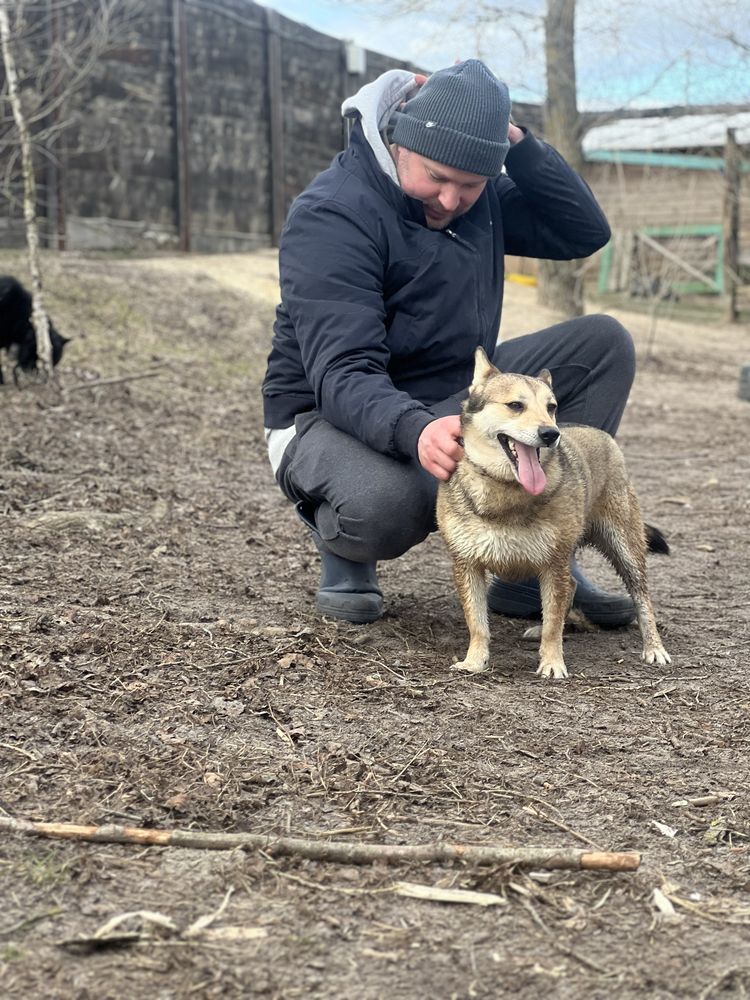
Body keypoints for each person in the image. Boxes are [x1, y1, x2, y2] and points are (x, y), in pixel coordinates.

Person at [262, 59, 637, 627]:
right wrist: (417, 429)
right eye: (436, 177)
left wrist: (510, 141)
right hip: (327, 412)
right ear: (398, 141)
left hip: (451, 396)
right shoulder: (333, 213)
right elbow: (341, 371)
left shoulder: (476, 197)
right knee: (387, 505)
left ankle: (526, 555)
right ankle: (343, 545)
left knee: (602, 345)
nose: (450, 199)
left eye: (472, 183)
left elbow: (582, 231)